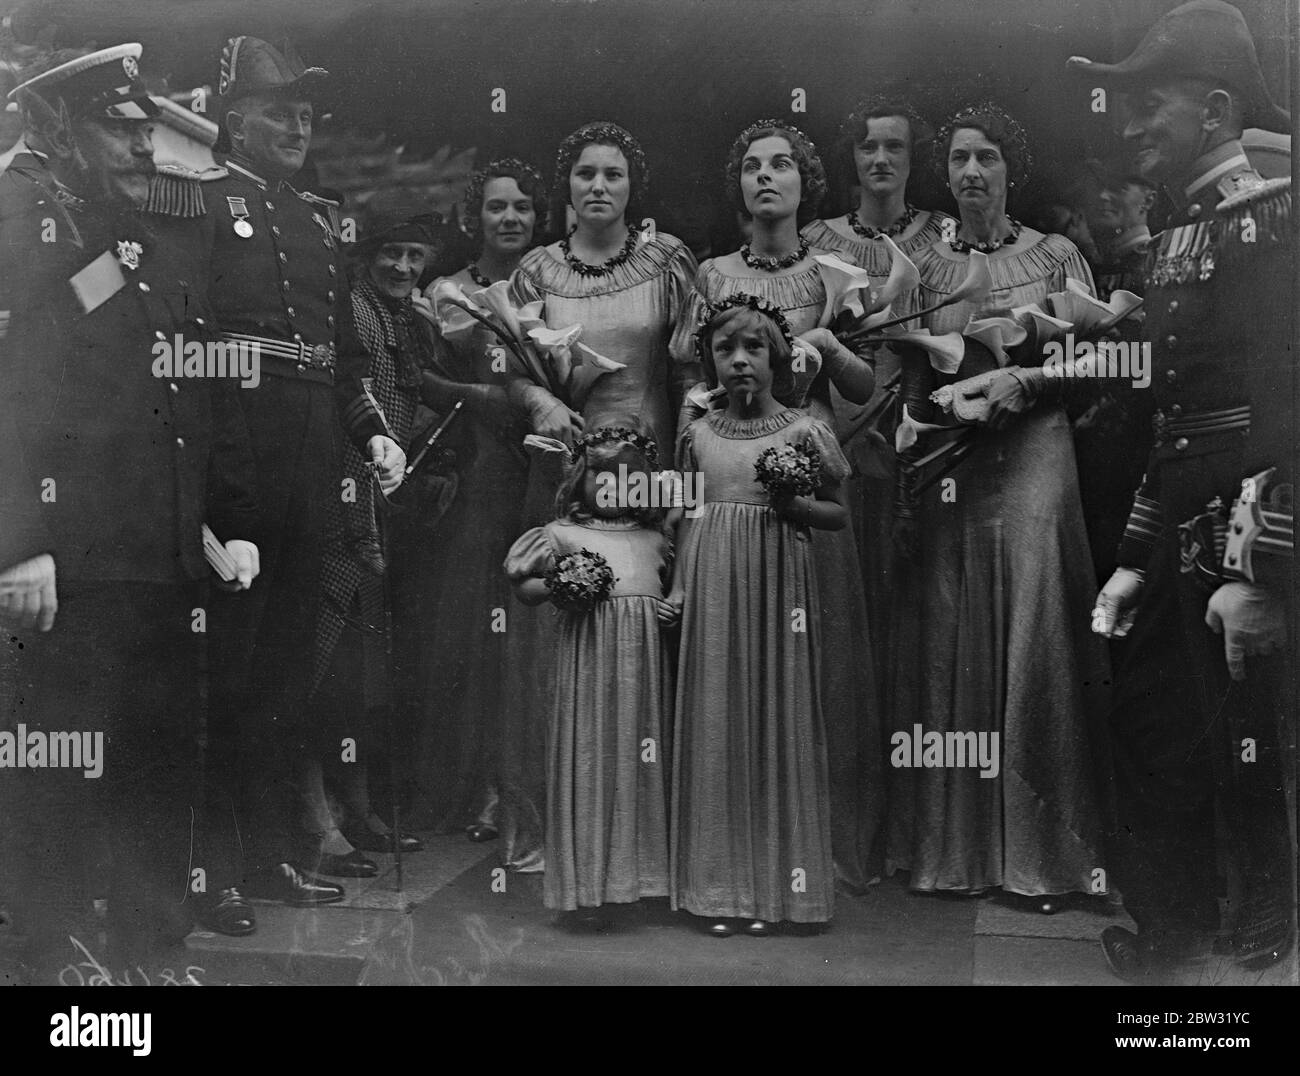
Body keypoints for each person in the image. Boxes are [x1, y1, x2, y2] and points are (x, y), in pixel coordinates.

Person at [0, 42, 259, 978]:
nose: (146, 147)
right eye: (122, 127)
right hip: (70, 559)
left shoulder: (102, 227)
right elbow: (16, 390)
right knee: (59, 768)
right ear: (59, 127)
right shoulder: (22, 214)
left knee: (154, 763)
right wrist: (19, 541)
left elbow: (137, 397)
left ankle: (149, 954)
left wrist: (197, 517)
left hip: (147, 552)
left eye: (146, 127)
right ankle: (54, 964)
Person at [1069, 0, 1295, 979]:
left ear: (1211, 109)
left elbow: (1286, 409)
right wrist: (1131, 559)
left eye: (1144, 102)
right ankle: (1174, 933)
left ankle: (1248, 945)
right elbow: (1173, 419)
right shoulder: (1179, 233)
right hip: (1179, 525)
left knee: (1242, 744)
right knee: (1154, 725)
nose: (1127, 126)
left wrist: (1265, 572)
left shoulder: (1267, 223)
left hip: (1241, 528)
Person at [886, 103, 1110, 909]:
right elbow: (913, 377)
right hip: (954, 459)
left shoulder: (1057, 255)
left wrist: (1031, 381)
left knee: (1036, 626)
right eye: (957, 159)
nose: (971, 172)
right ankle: (956, 852)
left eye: (987, 157)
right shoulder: (924, 263)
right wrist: (913, 478)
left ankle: (1046, 859)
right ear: (942, 173)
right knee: (954, 631)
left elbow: (1105, 361)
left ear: (1012, 169)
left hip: (1037, 450)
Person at [199, 36, 405, 908]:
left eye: (307, 111)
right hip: (231, 454)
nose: (299, 123)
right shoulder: (195, 206)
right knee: (225, 673)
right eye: (280, 108)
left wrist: (375, 434)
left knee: (286, 672)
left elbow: (341, 360)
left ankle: (271, 858)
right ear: (235, 118)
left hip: (310, 463)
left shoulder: (320, 221)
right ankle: (209, 870)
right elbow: (182, 350)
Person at [670, 120, 882, 894]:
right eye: (753, 166)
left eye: (783, 165)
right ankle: (736, 854)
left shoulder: (835, 272)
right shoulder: (709, 275)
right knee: (739, 663)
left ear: (806, 182)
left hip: (805, 470)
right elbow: (685, 383)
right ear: (739, 185)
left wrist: (826, 346)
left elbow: (864, 389)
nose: (767, 178)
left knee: (815, 660)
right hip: (727, 475)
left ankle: (814, 845)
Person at [501, 121, 695, 873]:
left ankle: (644, 842)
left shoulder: (666, 261)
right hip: (561, 468)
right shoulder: (536, 272)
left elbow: (686, 377)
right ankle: (566, 832)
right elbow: (508, 366)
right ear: (569, 185)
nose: (599, 187)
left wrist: (684, 481)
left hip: (649, 473)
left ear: (630, 185)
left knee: (645, 632)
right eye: (585, 173)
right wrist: (537, 403)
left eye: (613, 174)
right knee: (561, 642)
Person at [669, 294, 848, 936]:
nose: (740, 361)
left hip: (781, 586)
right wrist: (682, 589)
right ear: (710, 361)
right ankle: (720, 892)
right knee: (719, 716)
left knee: (779, 714)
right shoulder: (697, 435)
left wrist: (795, 507)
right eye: (725, 350)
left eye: (755, 349)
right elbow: (688, 515)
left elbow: (837, 511)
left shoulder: (803, 431)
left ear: (778, 357)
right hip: (714, 580)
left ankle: (784, 891)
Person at [404, 159, 544, 842]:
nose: (510, 218)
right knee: (476, 631)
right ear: (473, 218)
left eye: (522, 207)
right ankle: (481, 786)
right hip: (483, 469)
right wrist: (479, 398)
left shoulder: (556, 278)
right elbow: (419, 378)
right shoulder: (445, 292)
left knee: (533, 623)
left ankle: (533, 783)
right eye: (496, 208)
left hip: (543, 470)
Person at [800, 97, 953, 698]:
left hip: (917, 424)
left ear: (915, 158)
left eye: (896, 146)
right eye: (869, 146)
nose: (881, 158)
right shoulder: (816, 238)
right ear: (853, 157)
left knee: (909, 591)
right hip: (837, 425)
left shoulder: (942, 237)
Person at [505, 420, 676, 927]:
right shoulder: (560, 534)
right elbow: (523, 588)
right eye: (600, 476)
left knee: (640, 770)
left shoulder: (656, 539)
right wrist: (560, 586)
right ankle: (587, 889)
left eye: (627, 477)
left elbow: (671, 591)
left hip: (643, 679)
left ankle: (639, 883)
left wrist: (671, 609)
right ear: (578, 479)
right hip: (587, 676)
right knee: (589, 766)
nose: (612, 487)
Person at [310, 190, 437, 864]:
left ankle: (358, 807)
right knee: (325, 662)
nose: (404, 264)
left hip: (382, 500)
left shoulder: (408, 318)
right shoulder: (352, 311)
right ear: (368, 255)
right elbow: (351, 407)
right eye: (392, 251)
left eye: (416, 255)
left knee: (366, 672)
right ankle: (320, 815)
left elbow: (409, 404)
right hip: (342, 497)